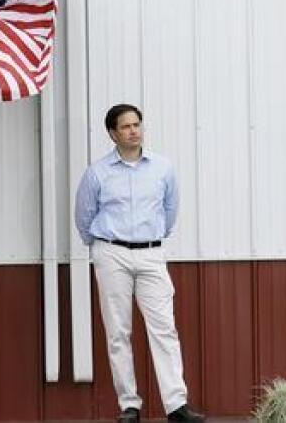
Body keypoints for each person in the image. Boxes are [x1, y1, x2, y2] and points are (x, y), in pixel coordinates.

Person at [75, 104, 204, 423]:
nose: (134, 130)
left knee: (164, 328)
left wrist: (154, 239)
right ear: (112, 133)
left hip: (151, 253)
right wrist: (102, 247)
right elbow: (84, 218)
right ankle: (129, 405)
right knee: (118, 331)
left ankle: (176, 406)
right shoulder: (97, 173)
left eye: (137, 124)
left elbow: (170, 211)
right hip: (111, 253)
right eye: (126, 126)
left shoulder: (163, 168)